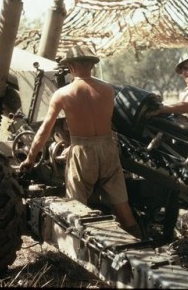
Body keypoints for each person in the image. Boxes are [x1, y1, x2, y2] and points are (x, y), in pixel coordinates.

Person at [19, 45, 142, 239]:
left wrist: (30, 158)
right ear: (92, 66)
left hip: (82, 152)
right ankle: (140, 244)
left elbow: (44, 130)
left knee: (78, 210)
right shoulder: (108, 90)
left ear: (70, 67)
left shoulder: (63, 94)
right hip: (109, 149)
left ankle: (83, 253)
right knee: (123, 209)